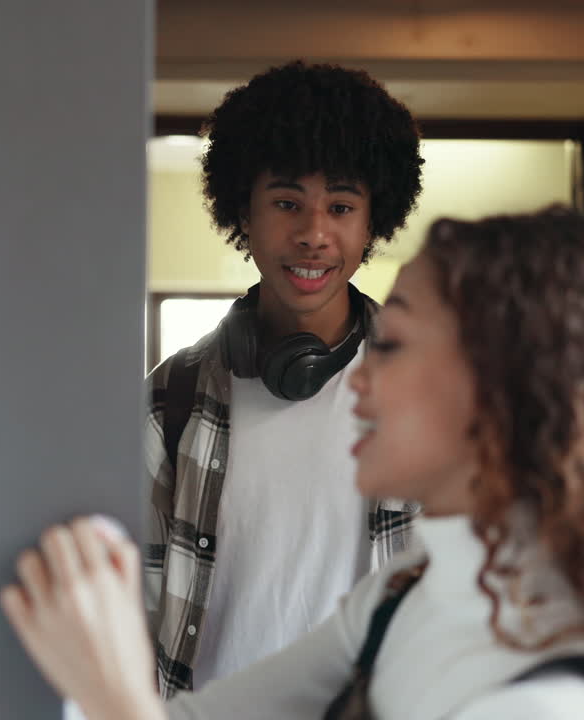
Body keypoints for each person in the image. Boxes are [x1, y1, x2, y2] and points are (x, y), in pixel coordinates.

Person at [0, 207, 584, 719]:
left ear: (505, 388)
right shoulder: (403, 595)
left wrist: (114, 697)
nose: (358, 378)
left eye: (398, 344)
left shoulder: (554, 699)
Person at [142, 61, 425, 694]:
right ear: (244, 209)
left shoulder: (436, 393)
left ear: (373, 221)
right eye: (287, 202)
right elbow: (140, 610)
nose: (314, 234)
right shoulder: (171, 401)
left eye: (342, 206)